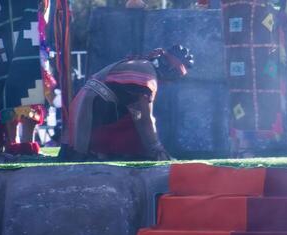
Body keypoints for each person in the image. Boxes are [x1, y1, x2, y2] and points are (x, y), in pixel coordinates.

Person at [64, 46, 193, 162]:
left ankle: (100, 152)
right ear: (169, 70)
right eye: (174, 78)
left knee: (136, 117)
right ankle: (98, 152)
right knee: (137, 124)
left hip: (83, 108)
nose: (171, 83)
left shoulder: (142, 65)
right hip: (89, 112)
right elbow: (144, 119)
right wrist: (157, 150)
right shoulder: (146, 75)